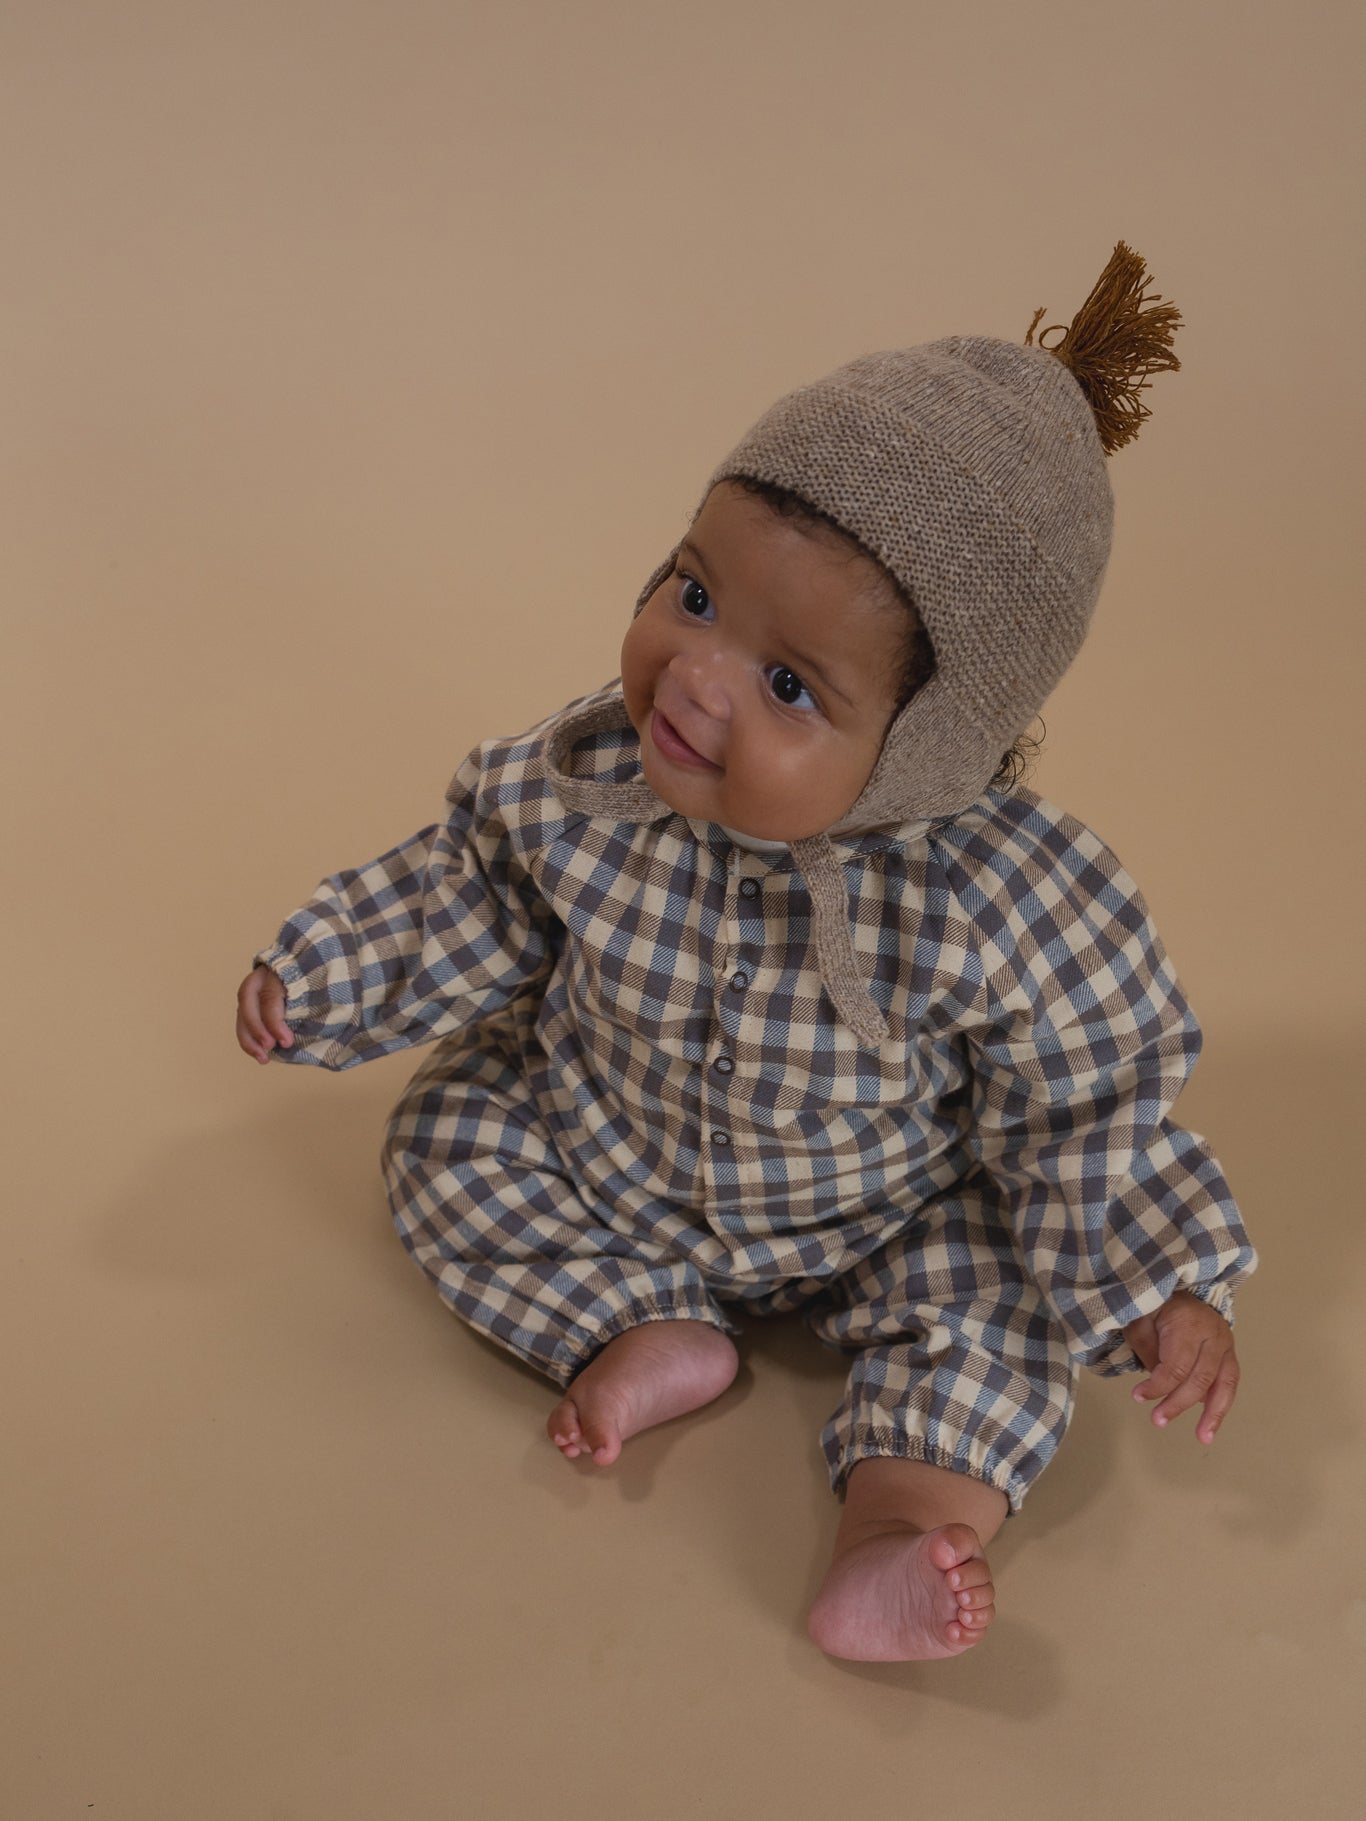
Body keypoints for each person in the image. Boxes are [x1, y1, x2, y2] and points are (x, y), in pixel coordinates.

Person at [235, 244, 1257, 1663]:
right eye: (692, 593)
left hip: (884, 1211)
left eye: (788, 682)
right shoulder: (594, 772)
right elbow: (469, 887)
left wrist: (1161, 1280)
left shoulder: (997, 897)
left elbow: (1086, 1097)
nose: (696, 676)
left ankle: (899, 1523)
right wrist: (328, 972)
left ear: (924, 750)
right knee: (445, 1138)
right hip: (607, 1145)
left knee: (995, 1311)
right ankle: (634, 1325)